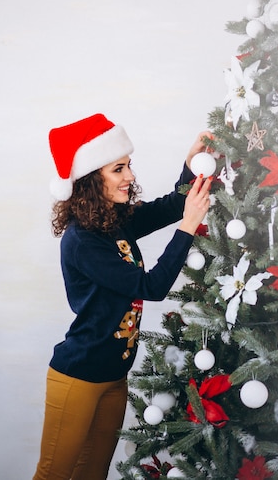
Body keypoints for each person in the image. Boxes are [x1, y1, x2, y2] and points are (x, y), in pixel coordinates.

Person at [33, 113, 213, 480]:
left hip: (115, 376)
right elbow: (152, 287)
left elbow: (166, 208)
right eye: (118, 169)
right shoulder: (83, 240)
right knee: (54, 474)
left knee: (93, 473)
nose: (130, 176)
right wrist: (188, 229)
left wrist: (190, 166)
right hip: (78, 379)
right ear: (89, 180)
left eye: (128, 166)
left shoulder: (111, 220)